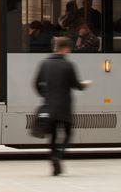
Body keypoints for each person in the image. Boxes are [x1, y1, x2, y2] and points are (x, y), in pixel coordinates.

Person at [34, 36, 90, 176]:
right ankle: (58, 156)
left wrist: (45, 95)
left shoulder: (44, 64)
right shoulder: (68, 65)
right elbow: (76, 85)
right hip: (64, 105)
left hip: (50, 104)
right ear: (65, 49)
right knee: (68, 133)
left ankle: (53, 159)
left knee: (53, 135)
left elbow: (36, 83)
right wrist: (85, 84)